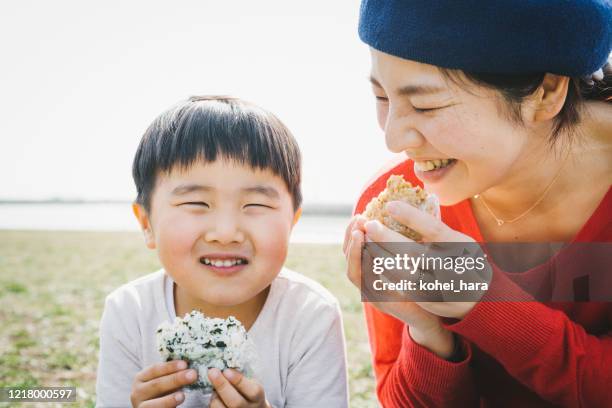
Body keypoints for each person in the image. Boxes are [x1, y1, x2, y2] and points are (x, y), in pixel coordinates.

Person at [344, 0, 612, 406]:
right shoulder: (397, 212)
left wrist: (485, 300)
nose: (394, 139)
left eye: (425, 105)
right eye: (382, 98)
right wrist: (425, 330)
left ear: (546, 92)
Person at [96, 96, 349, 408]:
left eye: (255, 204)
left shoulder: (310, 314)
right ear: (147, 223)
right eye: (196, 203)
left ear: (292, 222)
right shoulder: (130, 312)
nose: (226, 232)